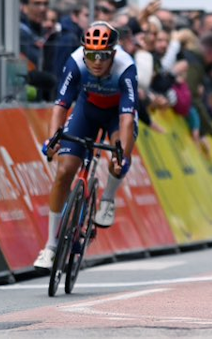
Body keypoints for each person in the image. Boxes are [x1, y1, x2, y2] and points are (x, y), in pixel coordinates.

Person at [33, 22, 138, 271]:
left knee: (118, 157)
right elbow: (61, 105)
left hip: (116, 114)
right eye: (92, 55)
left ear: (113, 53)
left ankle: (108, 199)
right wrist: (53, 140)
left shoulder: (126, 67)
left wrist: (121, 152)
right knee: (63, 172)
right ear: (84, 52)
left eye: (103, 55)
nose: (97, 61)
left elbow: (126, 117)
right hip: (87, 110)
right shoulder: (75, 61)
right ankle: (50, 246)